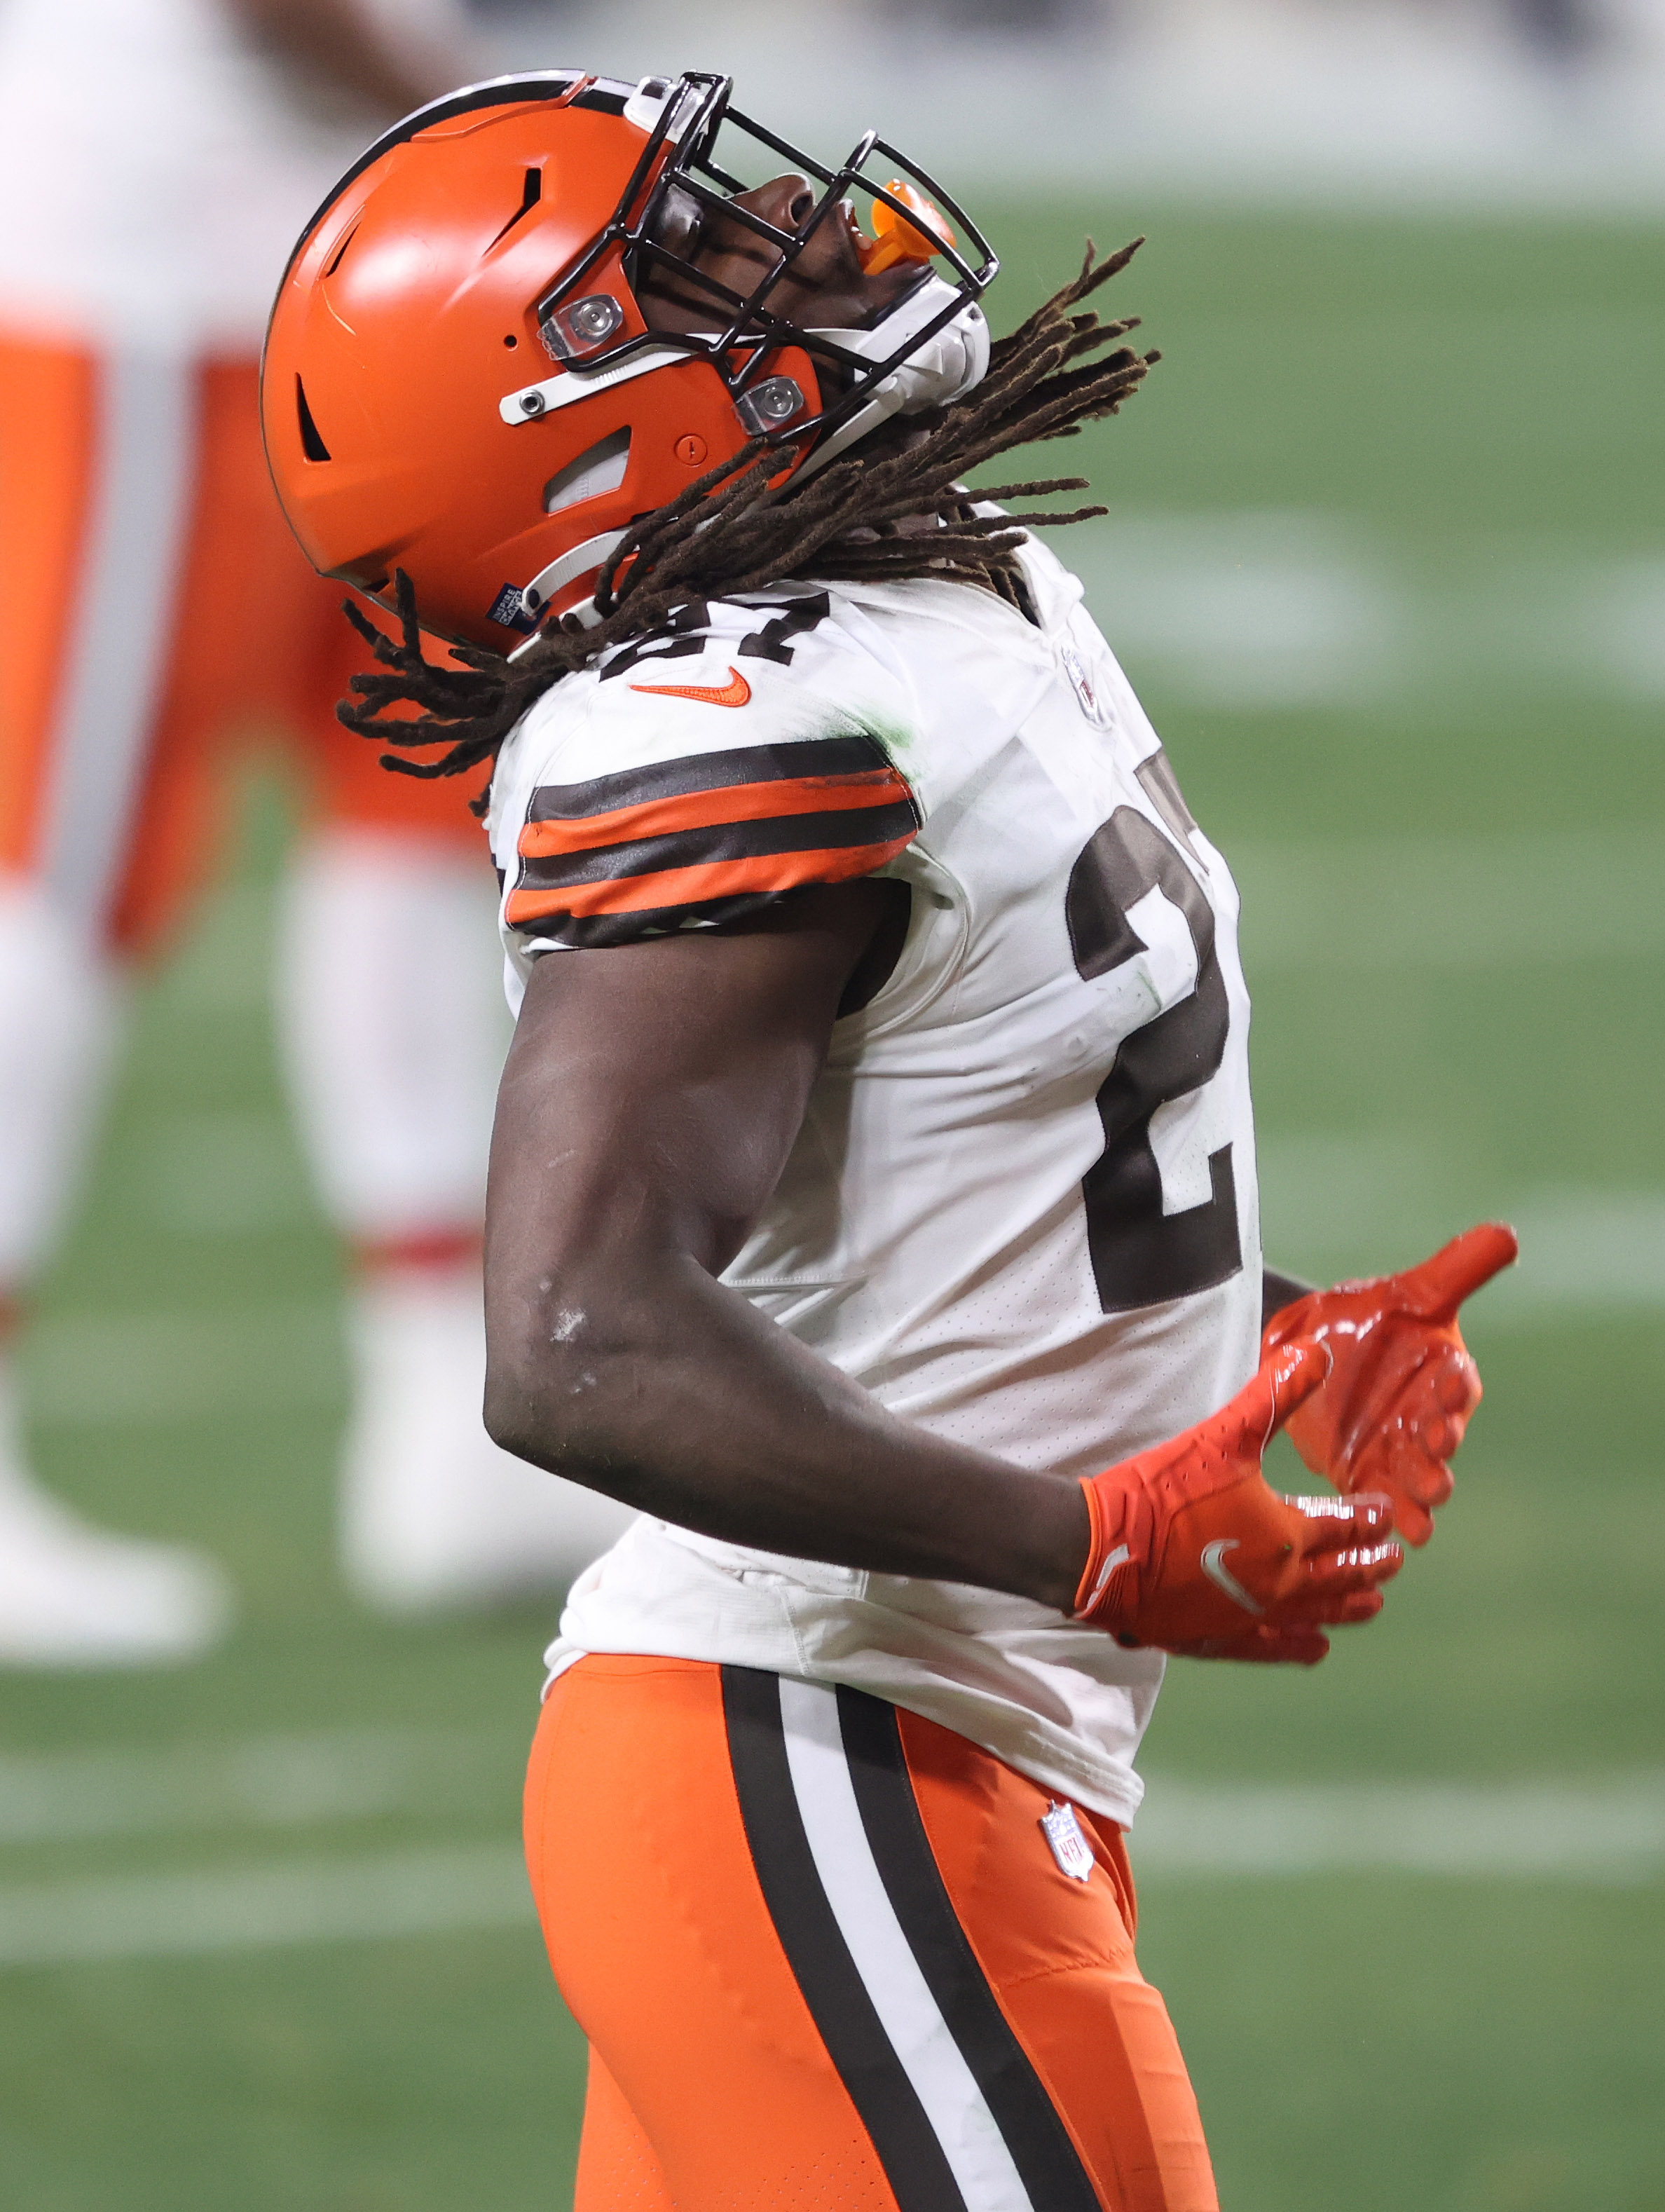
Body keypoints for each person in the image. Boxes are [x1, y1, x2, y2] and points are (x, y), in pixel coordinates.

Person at [264, 69, 1518, 2209]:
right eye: (689, 259)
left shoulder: (935, 592)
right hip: (814, 1748)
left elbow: (955, 1146)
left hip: (889, 1755)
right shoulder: (725, 713)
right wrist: (1091, 1538)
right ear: (571, 422)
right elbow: (582, 1334)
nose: (792, 246)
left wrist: (1257, 1324)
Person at [0, 1, 636, 1663]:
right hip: (152, 279)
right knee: (56, 868)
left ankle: (452, 1415)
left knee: (431, 807)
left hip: (370, 290)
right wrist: (515, 133)